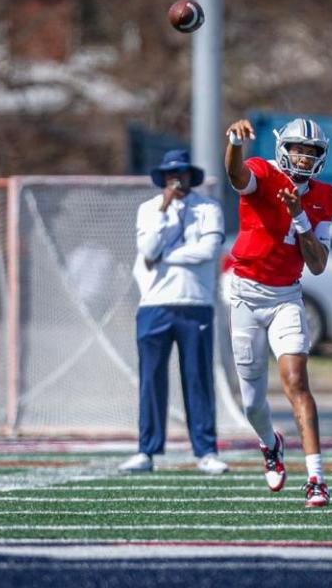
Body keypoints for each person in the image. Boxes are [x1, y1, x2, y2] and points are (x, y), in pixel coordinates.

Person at [224, 118, 332, 508]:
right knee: (253, 402)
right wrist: (235, 144)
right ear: (283, 149)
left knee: (296, 382)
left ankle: (316, 479)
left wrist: (300, 216)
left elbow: (319, 264)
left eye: (311, 151)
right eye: (297, 149)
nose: (303, 157)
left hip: (286, 297)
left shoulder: (325, 196)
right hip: (244, 295)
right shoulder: (263, 172)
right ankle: (269, 443)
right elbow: (236, 175)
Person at [119, 149, 229, 475]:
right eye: (169, 175)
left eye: (180, 173)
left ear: (190, 176)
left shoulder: (208, 208)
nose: (175, 180)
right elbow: (148, 249)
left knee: (197, 378)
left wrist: (168, 257)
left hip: (195, 303)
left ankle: (206, 450)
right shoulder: (148, 210)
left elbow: (207, 252)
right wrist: (164, 212)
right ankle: (147, 450)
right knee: (151, 379)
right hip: (155, 304)